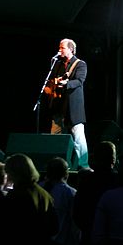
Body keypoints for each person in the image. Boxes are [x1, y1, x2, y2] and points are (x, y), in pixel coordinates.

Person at [44, 38, 89, 169]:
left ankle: (83, 165)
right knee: (56, 137)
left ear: (70, 49)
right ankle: (58, 166)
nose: (59, 50)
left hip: (73, 107)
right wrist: (50, 88)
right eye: (59, 47)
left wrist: (67, 83)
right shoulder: (57, 64)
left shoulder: (80, 64)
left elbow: (79, 81)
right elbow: (52, 80)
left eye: (62, 48)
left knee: (78, 137)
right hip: (58, 105)